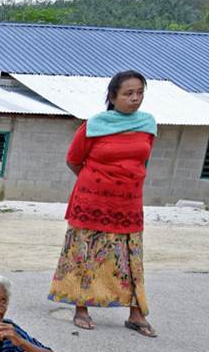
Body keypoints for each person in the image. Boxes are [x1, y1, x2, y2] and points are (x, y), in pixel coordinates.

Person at [48, 70, 157, 337]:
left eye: (139, 93)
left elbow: (142, 161)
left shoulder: (147, 124)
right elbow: (74, 159)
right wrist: (97, 185)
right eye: (128, 93)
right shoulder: (94, 125)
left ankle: (135, 313)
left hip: (129, 204)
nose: (135, 99)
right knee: (86, 254)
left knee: (129, 259)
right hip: (92, 202)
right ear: (112, 96)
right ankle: (81, 308)